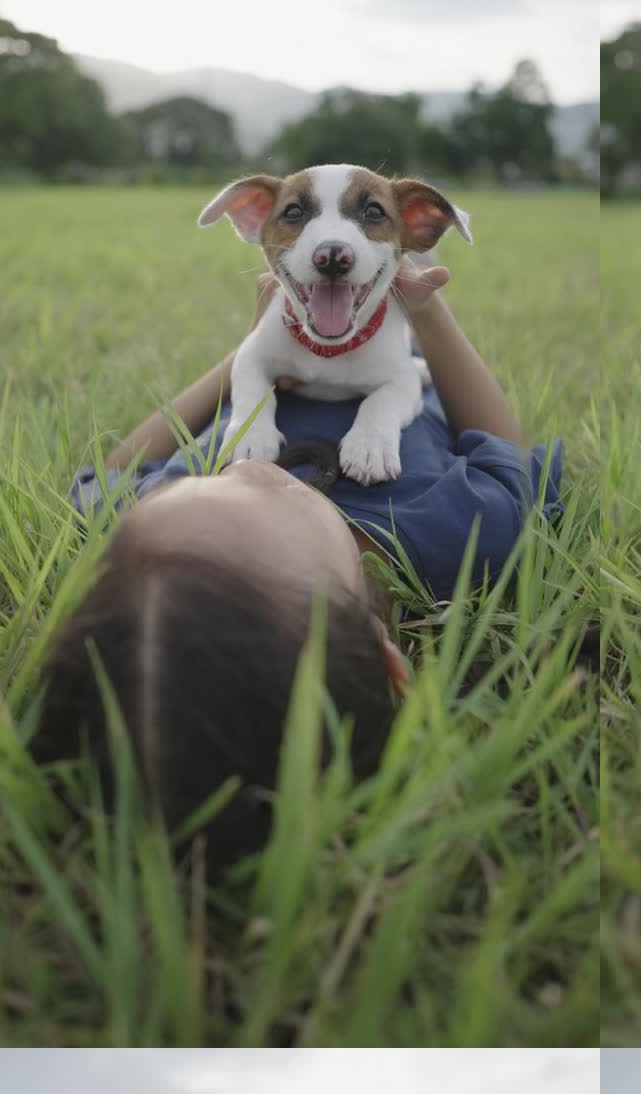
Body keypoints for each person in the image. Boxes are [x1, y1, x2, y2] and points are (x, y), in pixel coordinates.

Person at [33, 261, 563, 868]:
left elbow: (113, 474)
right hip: (405, 374)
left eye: (199, 484)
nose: (242, 469)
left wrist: (250, 355)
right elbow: (507, 458)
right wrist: (425, 314)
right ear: (382, 656)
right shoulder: (455, 530)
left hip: (279, 363)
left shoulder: (146, 533)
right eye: (267, 496)